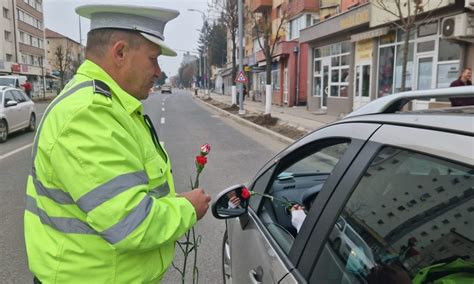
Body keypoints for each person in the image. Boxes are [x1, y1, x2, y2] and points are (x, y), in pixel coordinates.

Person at [24, 4, 211, 283]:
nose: (158, 71)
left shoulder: (111, 107)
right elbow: (131, 224)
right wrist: (188, 208)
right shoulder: (87, 115)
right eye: (153, 59)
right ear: (120, 52)